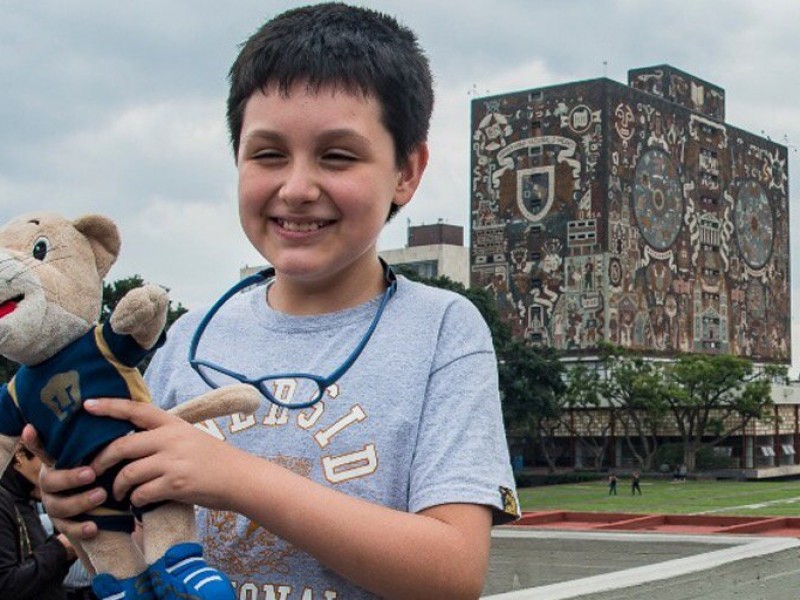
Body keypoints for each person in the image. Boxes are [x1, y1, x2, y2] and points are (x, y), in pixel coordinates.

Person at [25, 3, 519, 599]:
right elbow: (142, 536)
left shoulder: (443, 329)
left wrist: (236, 479)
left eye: (337, 155)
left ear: (407, 171)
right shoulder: (188, 338)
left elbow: (452, 573)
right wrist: (81, 508)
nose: (297, 188)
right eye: (268, 154)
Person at [0, 443, 77, 599]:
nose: (52, 470)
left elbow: (42, 580)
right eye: (47, 461)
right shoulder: (5, 502)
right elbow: (6, 584)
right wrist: (61, 548)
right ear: (19, 456)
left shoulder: (25, 500)